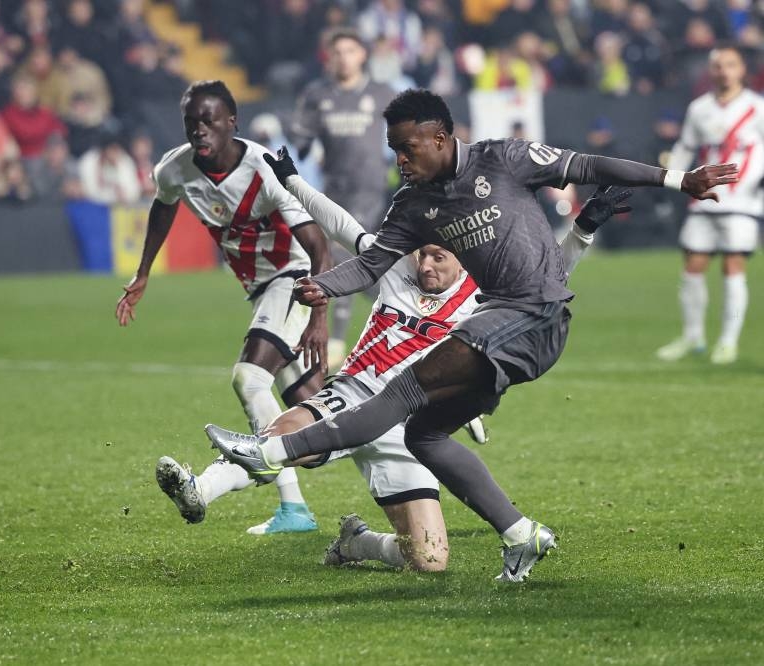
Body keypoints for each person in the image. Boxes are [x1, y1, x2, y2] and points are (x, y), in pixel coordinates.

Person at [207, 89, 736, 581]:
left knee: (402, 392)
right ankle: (520, 533)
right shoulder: (413, 206)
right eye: (393, 150)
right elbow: (369, 264)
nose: (400, 160)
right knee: (423, 434)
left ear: (440, 138)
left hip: (535, 314)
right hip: (509, 324)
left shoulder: (502, 159)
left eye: (407, 148)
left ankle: (271, 454)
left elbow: (587, 164)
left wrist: (678, 179)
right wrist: (323, 285)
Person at [158, 147, 628, 571]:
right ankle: (199, 489)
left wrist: (584, 228)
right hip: (355, 394)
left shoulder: (487, 292)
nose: (425, 266)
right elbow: (343, 227)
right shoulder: (396, 268)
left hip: (409, 424)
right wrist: (295, 183)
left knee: (428, 559)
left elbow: (552, 273)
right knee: (292, 435)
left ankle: (355, 544)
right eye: (422, 254)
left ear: (463, 254)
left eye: (437, 258)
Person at [117, 80, 331, 535]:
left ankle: (286, 506)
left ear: (232, 122)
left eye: (209, 120)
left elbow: (319, 249)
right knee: (322, 421)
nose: (200, 130)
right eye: (191, 122)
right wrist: (143, 272)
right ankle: (414, 405)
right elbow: (163, 207)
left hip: (293, 279)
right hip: (261, 289)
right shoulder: (175, 169)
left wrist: (318, 316)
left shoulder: (265, 170)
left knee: (249, 379)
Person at [289, 28, 396, 367]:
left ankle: (334, 342)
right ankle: (401, 314)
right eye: (337, 52)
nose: (343, 57)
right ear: (329, 57)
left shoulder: (382, 94)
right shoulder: (317, 96)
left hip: (370, 189)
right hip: (333, 191)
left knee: (342, 256)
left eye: (350, 51)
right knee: (366, 276)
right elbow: (301, 142)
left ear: (362, 55)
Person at [656, 45, 763, 365]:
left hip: (743, 201)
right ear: (710, 70)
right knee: (693, 266)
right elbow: (686, 146)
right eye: (717, 65)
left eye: (730, 65)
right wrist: (671, 177)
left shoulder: (757, 107)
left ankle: (728, 342)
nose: (723, 71)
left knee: (733, 266)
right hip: (705, 199)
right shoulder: (699, 108)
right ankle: (693, 337)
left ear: (742, 69)